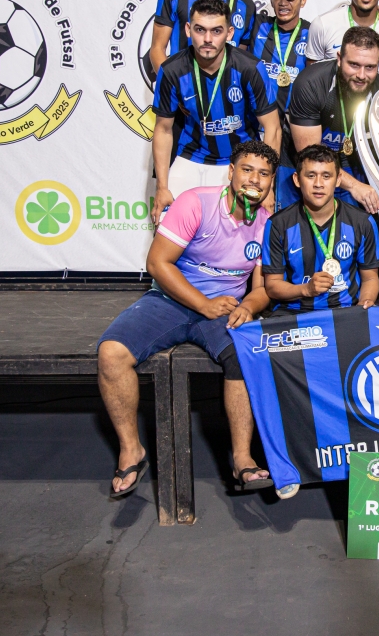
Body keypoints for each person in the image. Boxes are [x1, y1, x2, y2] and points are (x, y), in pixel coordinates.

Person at [98, 141, 291, 498]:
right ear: (231, 172)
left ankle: (242, 458)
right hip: (171, 300)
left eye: (264, 174)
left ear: (271, 181)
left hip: (224, 307)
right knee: (111, 353)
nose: (254, 179)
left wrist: (249, 306)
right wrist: (203, 303)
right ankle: (131, 450)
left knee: (244, 356)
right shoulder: (195, 203)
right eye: (247, 170)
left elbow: (263, 287)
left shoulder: (268, 224)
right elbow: (157, 263)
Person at [150, 0, 280, 221]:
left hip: (242, 161)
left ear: (229, 33)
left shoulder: (250, 68)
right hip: (192, 156)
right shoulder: (172, 70)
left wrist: (268, 187)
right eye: (200, 30)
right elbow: (163, 129)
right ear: (188, 30)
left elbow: (273, 128)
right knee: (165, 222)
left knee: (250, 232)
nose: (208, 39)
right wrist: (162, 187)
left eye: (216, 31)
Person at [262, 145, 379, 312]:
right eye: (311, 176)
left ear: (338, 180)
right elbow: (272, 286)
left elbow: (370, 278)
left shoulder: (362, 222)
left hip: (345, 311)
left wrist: (364, 304)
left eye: (326, 176)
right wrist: (306, 289)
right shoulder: (278, 224)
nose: (318, 184)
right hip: (294, 312)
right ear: (297, 179)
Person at [287, 25, 379, 213]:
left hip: (351, 161)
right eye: (354, 65)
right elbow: (310, 156)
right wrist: (355, 186)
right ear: (339, 59)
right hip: (306, 162)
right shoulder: (311, 83)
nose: (361, 75)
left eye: (370, 67)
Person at [250, 0, 313, 211]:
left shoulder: (313, 32)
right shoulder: (257, 25)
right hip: (258, 127)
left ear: (303, 0)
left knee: (286, 204)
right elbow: (220, 6)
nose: (283, 2)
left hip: (293, 133)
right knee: (253, 198)